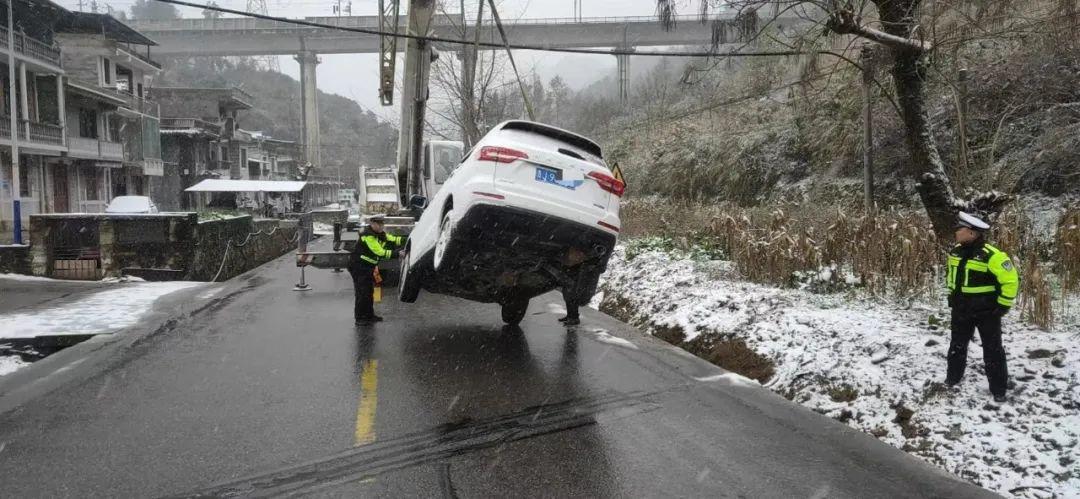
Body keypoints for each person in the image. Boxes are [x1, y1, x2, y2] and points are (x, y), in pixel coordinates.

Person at [945, 211, 1020, 403]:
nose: (956, 232)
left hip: (987, 312)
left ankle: (998, 389)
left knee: (993, 350)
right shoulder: (955, 251)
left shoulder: (993, 255)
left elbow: (1011, 281)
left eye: (959, 229)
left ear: (972, 233)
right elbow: (952, 277)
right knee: (957, 346)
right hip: (961, 310)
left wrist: (1002, 306)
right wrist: (952, 296)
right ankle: (953, 378)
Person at [349, 214, 405, 324]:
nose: (381, 226)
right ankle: (360, 318)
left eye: (382, 224)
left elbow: (394, 240)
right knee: (362, 293)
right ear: (372, 224)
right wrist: (397, 254)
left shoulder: (380, 234)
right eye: (378, 224)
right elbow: (379, 252)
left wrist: (407, 240)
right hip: (359, 267)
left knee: (369, 292)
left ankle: (369, 315)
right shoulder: (368, 236)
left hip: (368, 267)